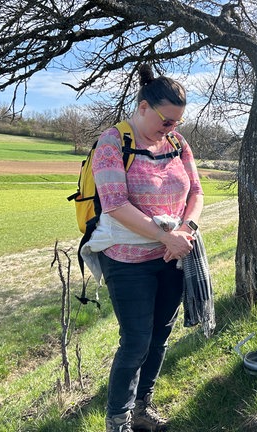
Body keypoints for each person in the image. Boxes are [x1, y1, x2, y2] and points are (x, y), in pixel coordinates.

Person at [92, 64, 204, 432]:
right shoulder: (112, 142)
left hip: (173, 256)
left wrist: (185, 232)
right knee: (136, 340)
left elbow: (197, 193)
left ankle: (142, 409)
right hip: (127, 260)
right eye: (166, 120)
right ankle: (118, 421)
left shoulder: (177, 143)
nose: (172, 128)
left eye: (177, 122)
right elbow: (114, 203)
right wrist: (164, 237)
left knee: (159, 337)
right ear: (142, 108)